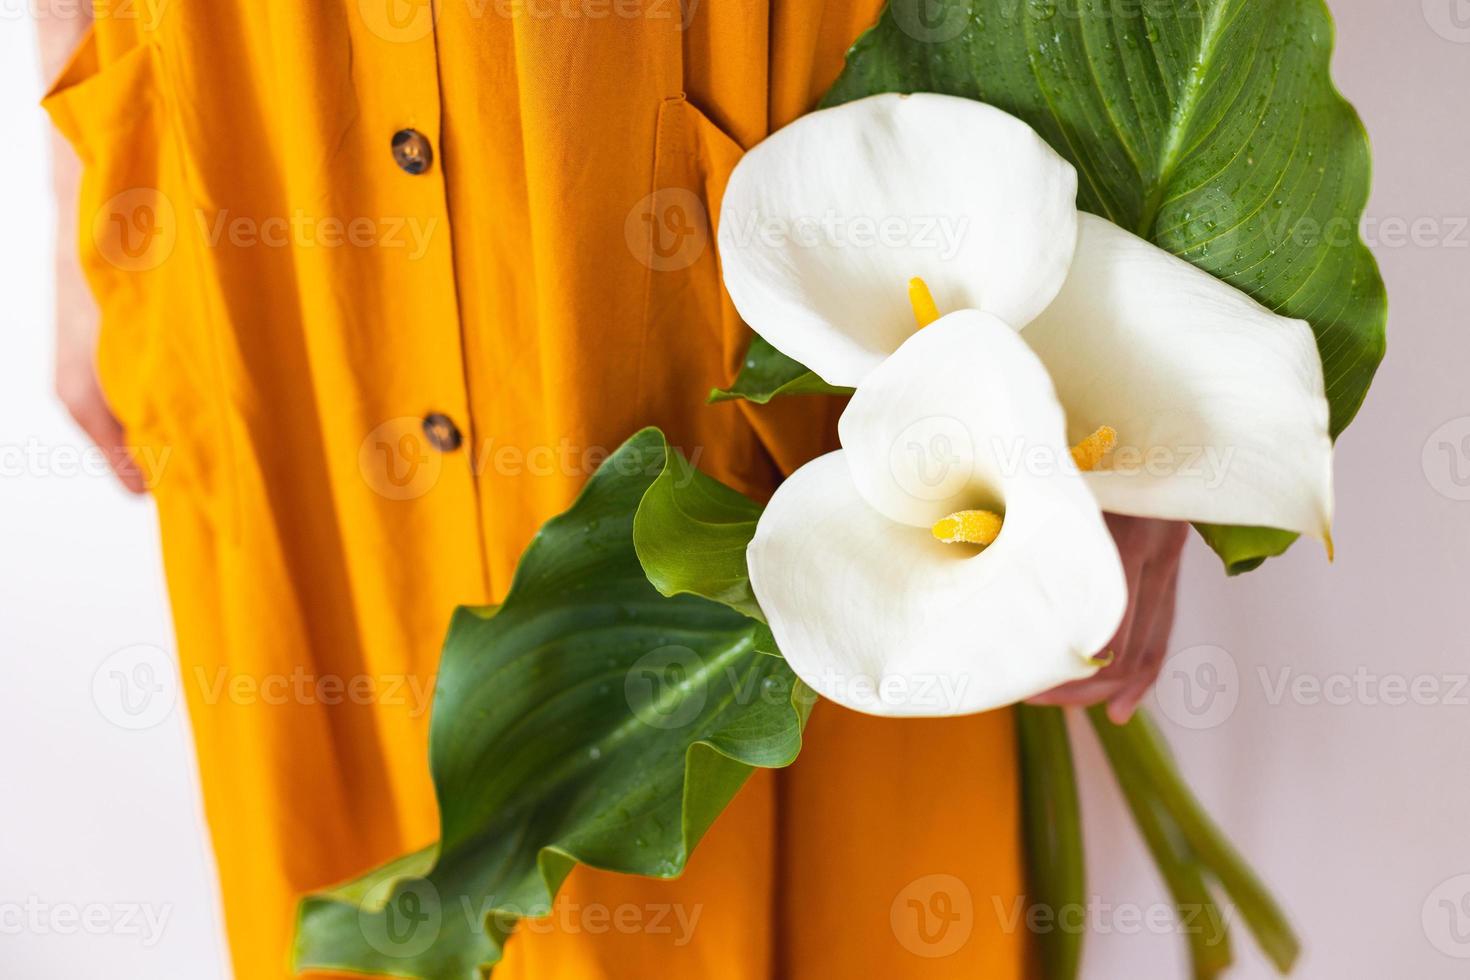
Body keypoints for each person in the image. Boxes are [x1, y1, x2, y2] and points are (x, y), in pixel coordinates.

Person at [37, 1, 1187, 976]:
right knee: (343, 811)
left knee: (846, 782)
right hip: (260, 132)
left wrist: (1134, 392)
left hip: (726, 87)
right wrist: (79, 181)